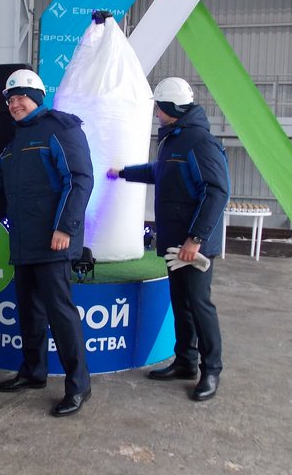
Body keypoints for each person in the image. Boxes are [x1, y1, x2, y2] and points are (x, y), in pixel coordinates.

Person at [0, 68, 94, 417]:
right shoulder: (15, 143)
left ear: (37, 97)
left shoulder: (60, 128)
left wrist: (65, 228)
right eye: (10, 99)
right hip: (24, 242)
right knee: (30, 311)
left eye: (21, 97)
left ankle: (79, 385)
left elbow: (79, 180)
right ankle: (33, 372)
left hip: (54, 242)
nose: (14, 104)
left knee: (60, 314)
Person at [108, 77, 229, 401]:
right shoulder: (174, 139)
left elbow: (217, 191)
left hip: (193, 245)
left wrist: (196, 239)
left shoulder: (199, 142)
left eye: (159, 108)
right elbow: (160, 171)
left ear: (170, 108)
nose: (156, 113)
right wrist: (123, 173)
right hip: (177, 243)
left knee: (200, 305)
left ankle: (211, 370)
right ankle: (186, 361)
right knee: (182, 303)